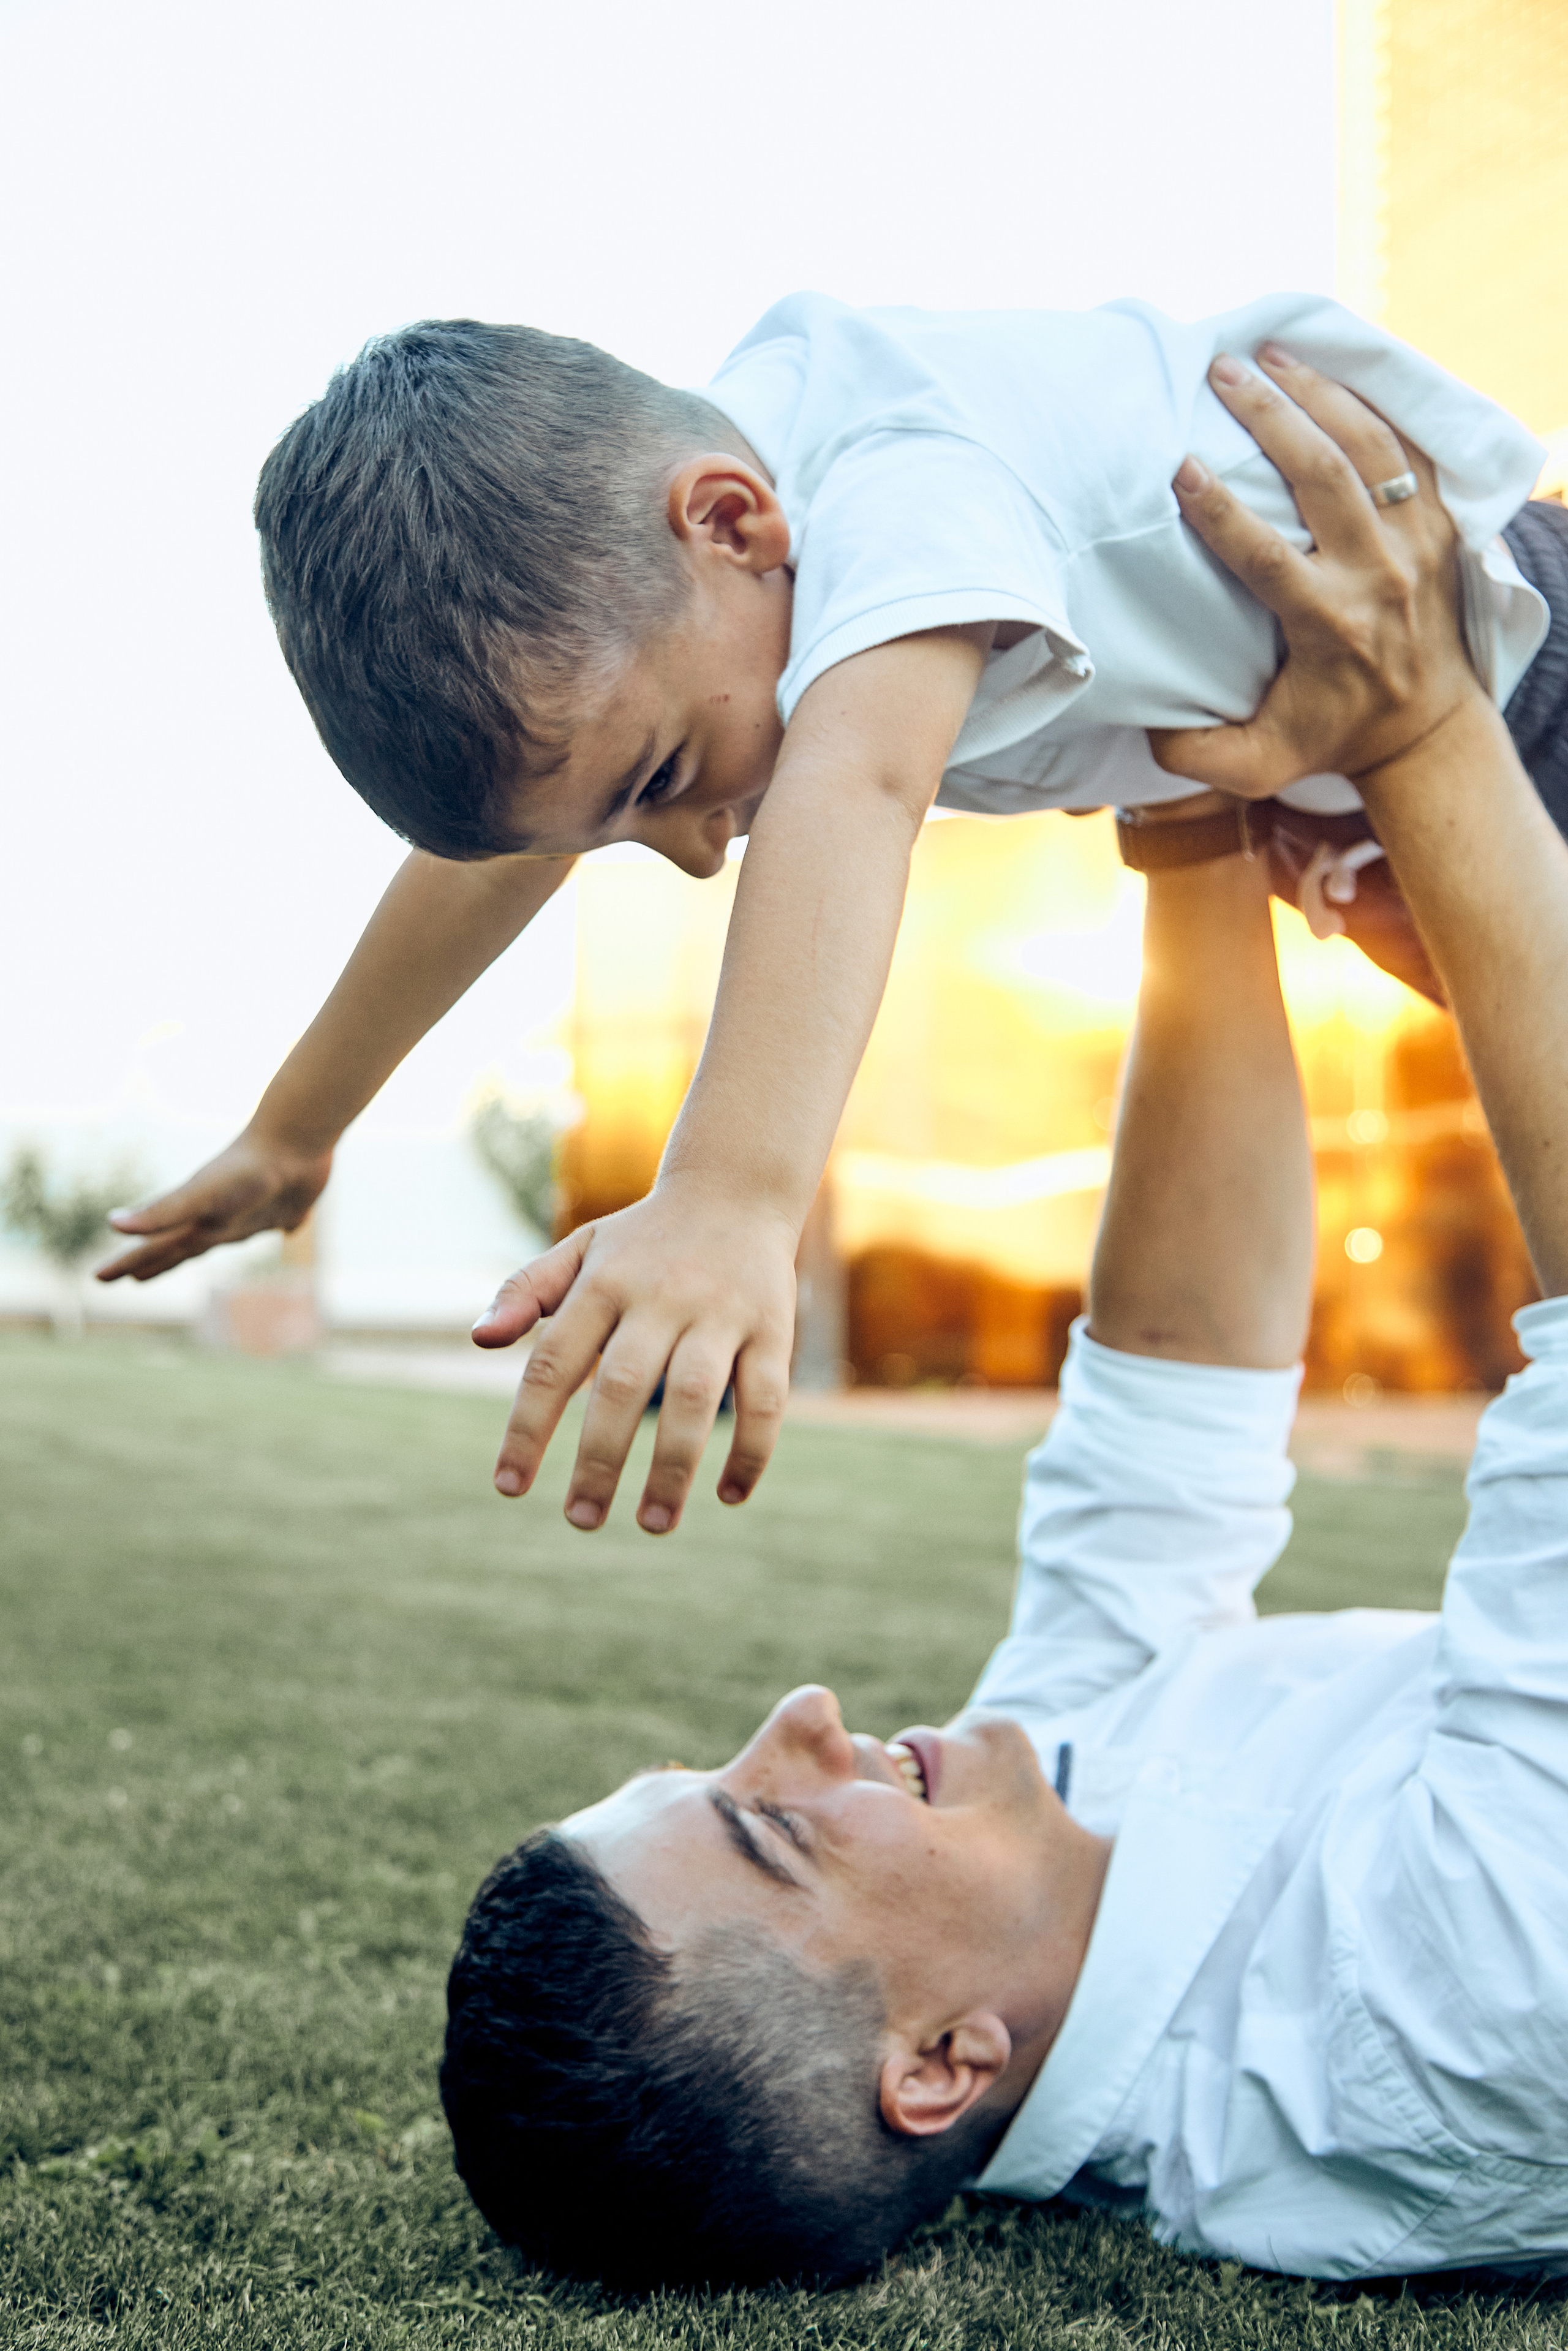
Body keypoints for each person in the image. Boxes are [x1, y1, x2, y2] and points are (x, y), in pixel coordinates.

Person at [439, 361, 1568, 2291]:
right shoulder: (1431, 2024)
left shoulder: (1028, 1828)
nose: (801, 1722)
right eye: (780, 1832)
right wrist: (1432, 734)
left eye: (730, 1773)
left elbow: (1172, 1410)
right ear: (940, 2064)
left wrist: (1191, 817)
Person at [96, 293, 1568, 1548]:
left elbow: (856, 788)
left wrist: (731, 1195)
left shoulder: (895, 485)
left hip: (1525, 709)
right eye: (619, 829)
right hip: (1360, 820)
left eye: (661, 781)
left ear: (727, 523)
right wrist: (297, 1129)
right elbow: (492, 854)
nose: (687, 853)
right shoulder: (688, 554)